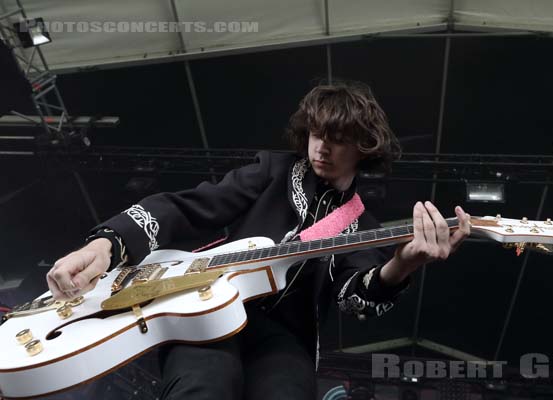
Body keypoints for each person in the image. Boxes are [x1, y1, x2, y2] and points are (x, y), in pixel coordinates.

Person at [47, 81, 470, 400]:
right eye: (316, 133)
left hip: (285, 337)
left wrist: (406, 263)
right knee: (204, 387)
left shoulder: (362, 222)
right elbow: (187, 208)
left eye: (338, 139)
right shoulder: (272, 171)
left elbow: (355, 294)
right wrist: (102, 246)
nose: (322, 148)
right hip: (205, 316)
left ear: (364, 146)